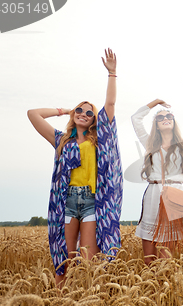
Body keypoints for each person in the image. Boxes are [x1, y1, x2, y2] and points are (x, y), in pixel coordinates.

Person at [27, 48, 122, 287]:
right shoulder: (61, 140)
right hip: (67, 202)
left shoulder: (99, 139)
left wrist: (112, 73)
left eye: (89, 112)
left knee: (88, 260)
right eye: (80, 110)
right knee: (64, 260)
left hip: (91, 201)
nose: (83, 113)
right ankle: (63, 303)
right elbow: (33, 114)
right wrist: (64, 111)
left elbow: (110, 103)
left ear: (94, 119)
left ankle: (87, 303)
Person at [131, 79, 183, 265]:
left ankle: (164, 287)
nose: (165, 119)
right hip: (153, 194)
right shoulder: (149, 143)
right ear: (156, 125)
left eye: (169, 117)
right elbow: (136, 118)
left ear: (173, 122)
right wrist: (156, 102)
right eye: (160, 118)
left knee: (166, 258)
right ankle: (150, 289)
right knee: (149, 258)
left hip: (174, 196)